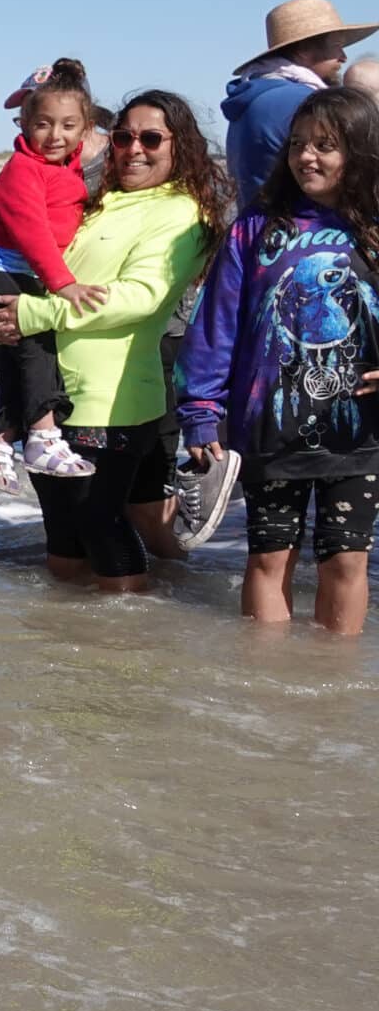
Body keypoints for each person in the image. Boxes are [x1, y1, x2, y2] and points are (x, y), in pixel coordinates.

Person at [0, 91, 222, 595]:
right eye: (124, 136)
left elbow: (141, 297)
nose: (134, 149)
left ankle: (129, 643)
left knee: (99, 521)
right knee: (62, 535)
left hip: (112, 400)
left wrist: (30, 313)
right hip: (42, 390)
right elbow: (25, 276)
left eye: (151, 138)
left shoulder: (182, 213)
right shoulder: (94, 198)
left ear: (181, 147)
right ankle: (64, 651)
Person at [179, 87, 379, 635]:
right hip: (270, 424)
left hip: (359, 430)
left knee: (346, 559)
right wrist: (200, 410)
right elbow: (216, 325)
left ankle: (330, 691)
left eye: (325, 145)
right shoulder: (257, 228)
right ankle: (266, 698)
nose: (306, 156)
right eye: (298, 144)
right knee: (269, 558)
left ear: (360, 152)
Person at [0, 58, 103, 491]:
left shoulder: (70, 169)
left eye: (68, 126)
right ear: (24, 123)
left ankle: (1, 444)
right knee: (37, 342)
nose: (55, 136)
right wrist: (64, 284)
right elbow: (33, 233)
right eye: (43, 124)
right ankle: (44, 435)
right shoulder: (23, 169)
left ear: (85, 129)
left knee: (16, 360)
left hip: (28, 275)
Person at [224, 0, 374, 212]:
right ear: (304, 51)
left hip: (261, 228)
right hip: (303, 230)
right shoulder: (301, 102)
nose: (343, 57)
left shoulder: (256, 95)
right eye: (337, 47)